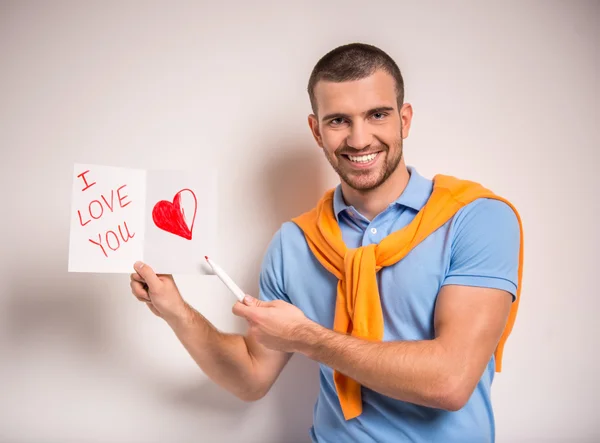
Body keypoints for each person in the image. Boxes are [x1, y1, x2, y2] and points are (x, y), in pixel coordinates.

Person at [130, 43, 523, 442]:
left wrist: (307, 337)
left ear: (404, 120)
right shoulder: (294, 243)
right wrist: (175, 310)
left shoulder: (474, 218)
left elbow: (451, 381)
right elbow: (252, 376)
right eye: (338, 120)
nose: (359, 138)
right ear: (316, 131)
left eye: (377, 115)